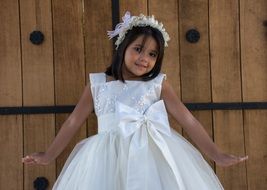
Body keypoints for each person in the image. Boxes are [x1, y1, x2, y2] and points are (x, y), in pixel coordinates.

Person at [22, 11, 248, 190]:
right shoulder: (99, 84)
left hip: (152, 158)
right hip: (107, 158)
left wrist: (216, 154)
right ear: (122, 48)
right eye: (138, 49)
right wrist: (49, 154)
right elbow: (73, 121)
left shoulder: (158, 84)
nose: (144, 59)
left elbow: (188, 120)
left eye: (152, 54)